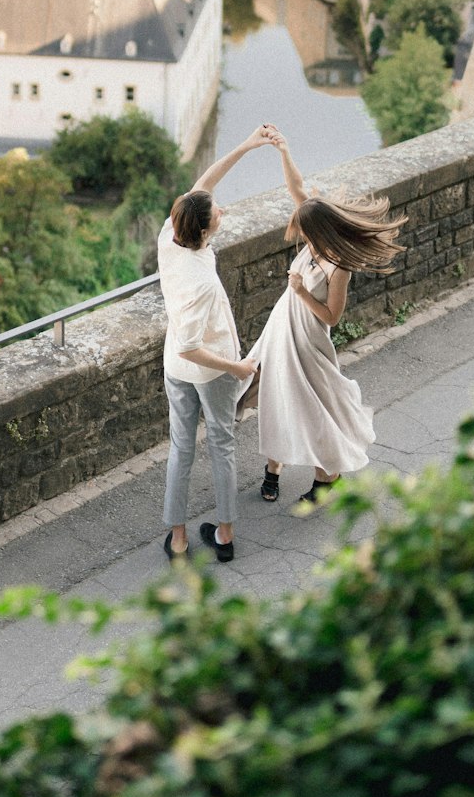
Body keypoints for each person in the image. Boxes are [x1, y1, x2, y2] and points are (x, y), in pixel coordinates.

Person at [251, 130, 406, 507]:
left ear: (318, 230)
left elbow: (332, 317)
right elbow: (297, 188)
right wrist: (284, 150)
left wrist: (303, 292)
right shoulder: (313, 235)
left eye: (304, 231)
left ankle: (327, 477)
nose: (299, 235)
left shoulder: (338, 265)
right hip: (280, 331)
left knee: (312, 408)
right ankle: (274, 467)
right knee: (273, 397)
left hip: (309, 341)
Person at [158, 126, 274, 563]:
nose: (222, 210)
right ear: (205, 230)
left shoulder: (170, 235)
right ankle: (224, 536)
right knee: (221, 445)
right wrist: (237, 368)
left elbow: (203, 185)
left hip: (176, 369)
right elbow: (191, 346)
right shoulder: (202, 281)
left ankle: (179, 539)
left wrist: (245, 146)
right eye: (218, 214)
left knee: (181, 449)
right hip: (210, 367)